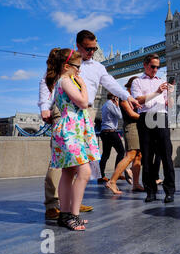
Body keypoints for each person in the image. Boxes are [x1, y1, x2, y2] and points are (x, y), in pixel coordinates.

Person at [38, 30, 141, 219]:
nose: (92, 52)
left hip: (86, 114)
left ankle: (70, 203)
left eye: (95, 48)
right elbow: (47, 81)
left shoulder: (98, 67)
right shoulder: (67, 60)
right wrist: (45, 106)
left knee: (80, 161)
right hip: (64, 111)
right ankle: (53, 204)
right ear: (78, 45)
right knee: (60, 160)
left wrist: (128, 97)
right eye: (88, 48)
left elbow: (111, 83)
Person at [45, 48, 101, 231]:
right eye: (77, 66)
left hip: (73, 129)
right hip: (70, 130)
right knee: (84, 172)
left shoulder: (65, 80)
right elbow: (84, 102)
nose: (80, 70)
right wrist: (83, 85)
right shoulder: (66, 80)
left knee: (69, 173)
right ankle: (73, 215)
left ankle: (65, 214)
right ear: (67, 66)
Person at [131, 53, 176, 203]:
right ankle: (150, 191)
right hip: (145, 117)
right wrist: (157, 91)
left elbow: (170, 105)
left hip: (161, 117)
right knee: (147, 157)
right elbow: (138, 100)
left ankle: (170, 191)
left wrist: (171, 94)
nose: (156, 69)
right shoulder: (137, 82)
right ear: (145, 65)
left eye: (158, 67)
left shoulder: (163, 81)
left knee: (166, 156)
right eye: (153, 66)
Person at [104, 76, 144, 194]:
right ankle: (112, 181)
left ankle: (136, 184)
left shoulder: (135, 97)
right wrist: (147, 117)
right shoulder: (124, 96)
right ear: (132, 85)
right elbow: (131, 114)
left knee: (138, 156)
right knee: (130, 155)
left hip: (138, 127)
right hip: (131, 127)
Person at [98, 93, 130, 185]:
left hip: (105, 132)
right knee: (121, 151)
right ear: (114, 98)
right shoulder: (110, 105)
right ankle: (117, 173)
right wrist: (117, 106)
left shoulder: (105, 104)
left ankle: (102, 175)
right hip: (111, 132)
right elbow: (120, 116)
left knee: (106, 154)